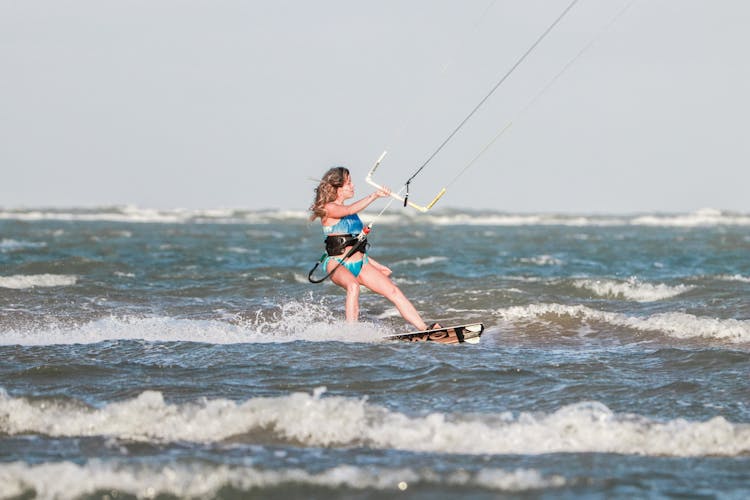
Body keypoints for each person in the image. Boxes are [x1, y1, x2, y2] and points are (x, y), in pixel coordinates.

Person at [309, 166, 439, 331]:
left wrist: (375, 264)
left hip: (361, 263)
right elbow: (348, 209)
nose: (353, 186)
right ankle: (351, 333)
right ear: (338, 188)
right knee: (353, 286)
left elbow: (353, 245)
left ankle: (425, 329)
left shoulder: (352, 215)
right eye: (348, 183)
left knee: (393, 291)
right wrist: (375, 195)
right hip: (336, 264)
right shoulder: (329, 208)